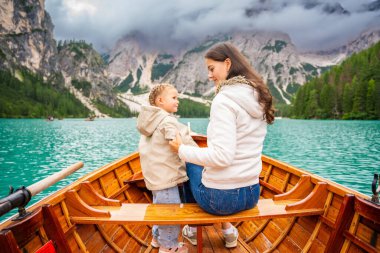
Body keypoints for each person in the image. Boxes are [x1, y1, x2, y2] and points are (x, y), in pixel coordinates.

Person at [169, 42, 275, 248]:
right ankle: (228, 231)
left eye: (211, 68)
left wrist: (181, 150)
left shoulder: (224, 100)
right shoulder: (258, 96)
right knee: (196, 160)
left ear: (227, 63)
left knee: (190, 164)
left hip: (221, 199)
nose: (209, 76)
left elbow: (222, 157)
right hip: (252, 193)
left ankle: (191, 229)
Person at [136, 83, 197, 253]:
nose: (178, 101)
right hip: (166, 177)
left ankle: (156, 239)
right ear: (160, 100)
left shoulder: (149, 121)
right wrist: (194, 152)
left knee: (159, 209)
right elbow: (175, 142)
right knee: (170, 212)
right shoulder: (167, 120)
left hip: (154, 177)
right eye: (174, 98)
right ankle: (168, 246)